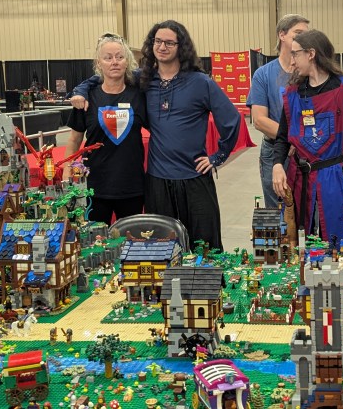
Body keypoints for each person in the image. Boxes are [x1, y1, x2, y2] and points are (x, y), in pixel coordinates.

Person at [75, 21, 240, 251]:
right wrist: (80, 90)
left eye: (169, 42)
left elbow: (232, 119)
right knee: (161, 248)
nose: (162, 47)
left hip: (194, 177)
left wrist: (218, 156)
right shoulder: (144, 80)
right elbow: (105, 76)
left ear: (181, 46)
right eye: (158, 41)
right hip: (158, 181)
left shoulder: (200, 82)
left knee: (205, 246)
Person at [271, 29, 343, 246]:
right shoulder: (293, 94)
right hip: (298, 175)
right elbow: (282, 138)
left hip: (332, 174)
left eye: (295, 53)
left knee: (336, 237)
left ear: (311, 54)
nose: (292, 60)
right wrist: (278, 164)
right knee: (297, 239)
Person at [65, 34, 146, 225]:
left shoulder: (140, 96)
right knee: (95, 240)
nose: (114, 62)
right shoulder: (86, 99)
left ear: (127, 62)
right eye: (108, 58)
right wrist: (67, 170)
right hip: (95, 187)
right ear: (98, 63)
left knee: (129, 240)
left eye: (120, 57)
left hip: (132, 187)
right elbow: (74, 140)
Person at [247, 14, 310, 207]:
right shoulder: (263, 74)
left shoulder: (311, 73)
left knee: (310, 208)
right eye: (298, 33)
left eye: (307, 34)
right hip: (275, 151)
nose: (304, 38)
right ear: (282, 35)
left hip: (309, 150)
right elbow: (259, 120)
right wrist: (290, 140)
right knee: (277, 209)